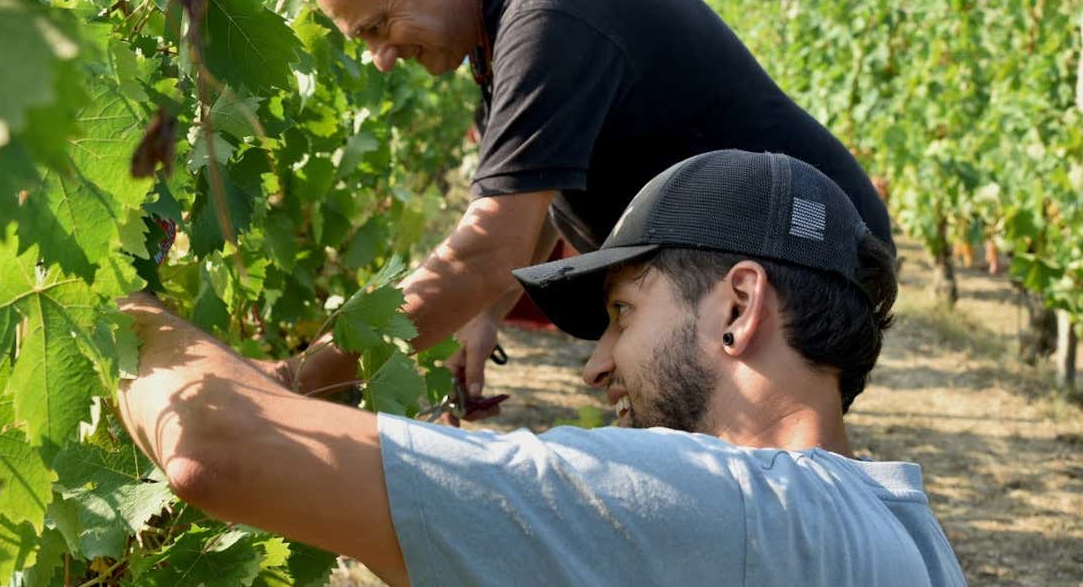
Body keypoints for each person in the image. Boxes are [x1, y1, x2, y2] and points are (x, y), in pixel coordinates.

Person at [117, 150, 965, 586]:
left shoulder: (733, 511)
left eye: (623, 314)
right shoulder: (896, 535)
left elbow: (217, 448)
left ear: (739, 307)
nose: (598, 365)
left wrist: (115, 307)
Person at [307, 0, 894, 408]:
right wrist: (482, 317)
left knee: (730, 475)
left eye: (377, 27)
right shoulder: (501, 24)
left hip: (807, 258)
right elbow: (535, 200)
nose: (380, 59)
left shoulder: (547, 12)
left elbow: (488, 249)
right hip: (753, 268)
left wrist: (299, 379)